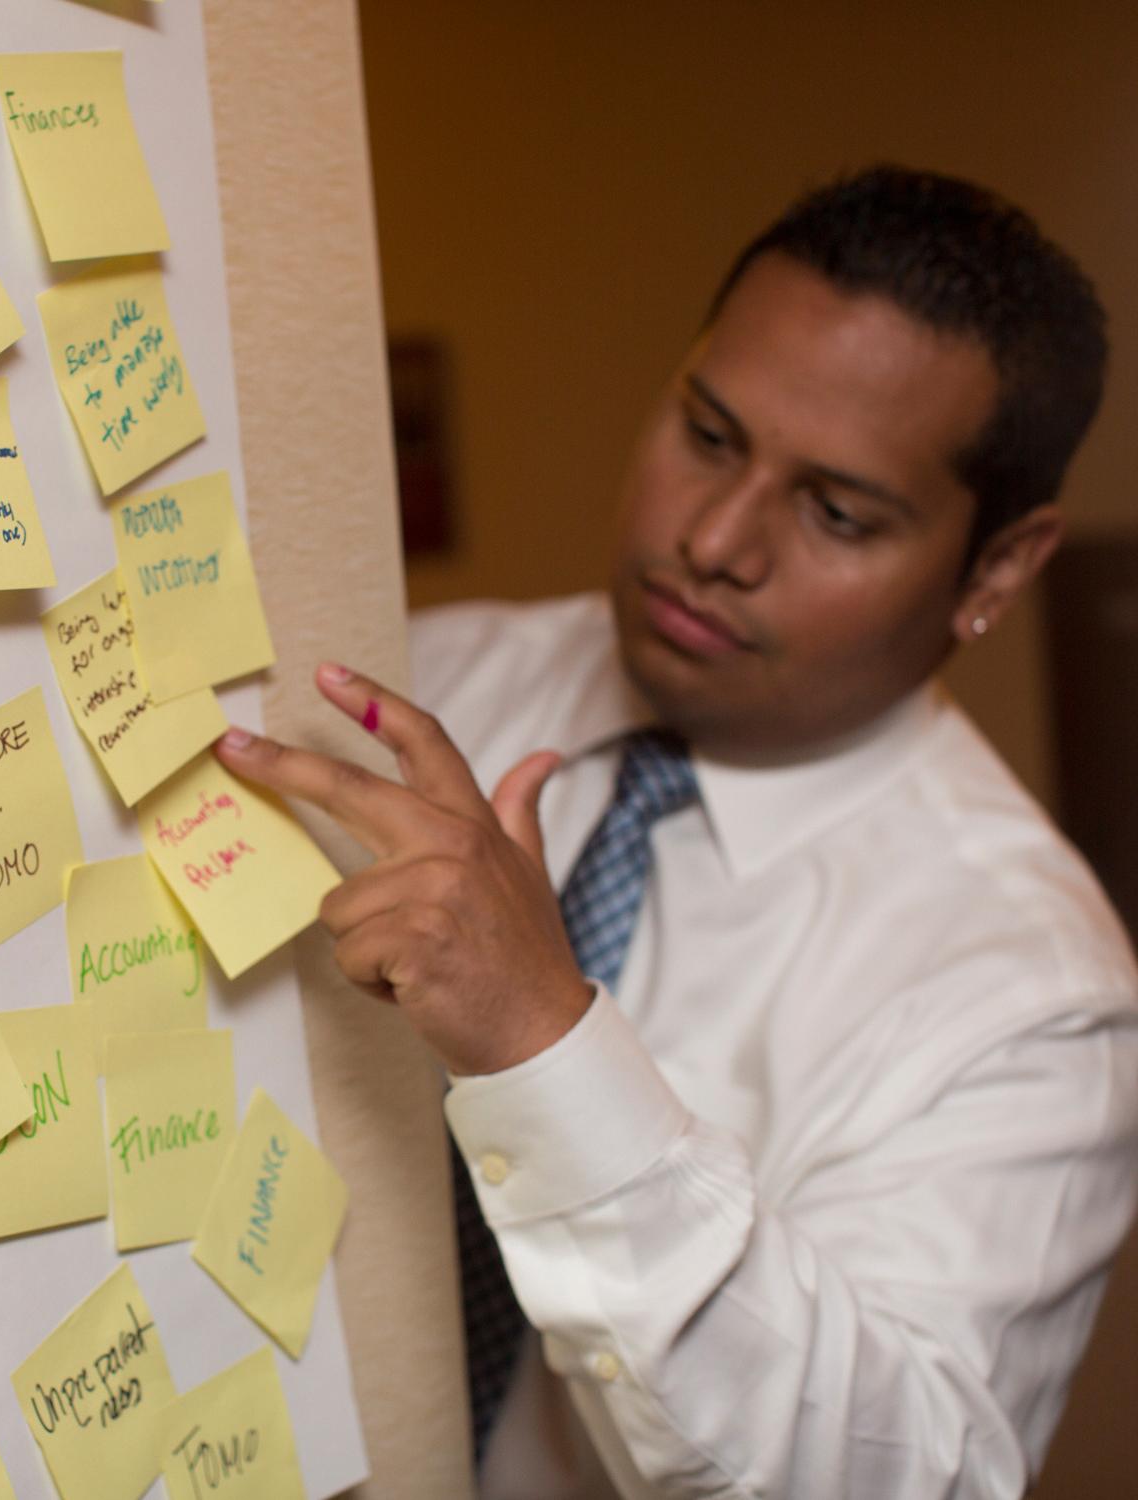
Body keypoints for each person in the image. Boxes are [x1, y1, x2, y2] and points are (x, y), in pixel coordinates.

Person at [213, 166, 1138, 1498]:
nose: (712, 540)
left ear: (995, 569)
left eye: (835, 512)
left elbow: (883, 1479)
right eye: (709, 434)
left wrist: (541, 1041)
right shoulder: (438, 686)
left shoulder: (1035, 995)